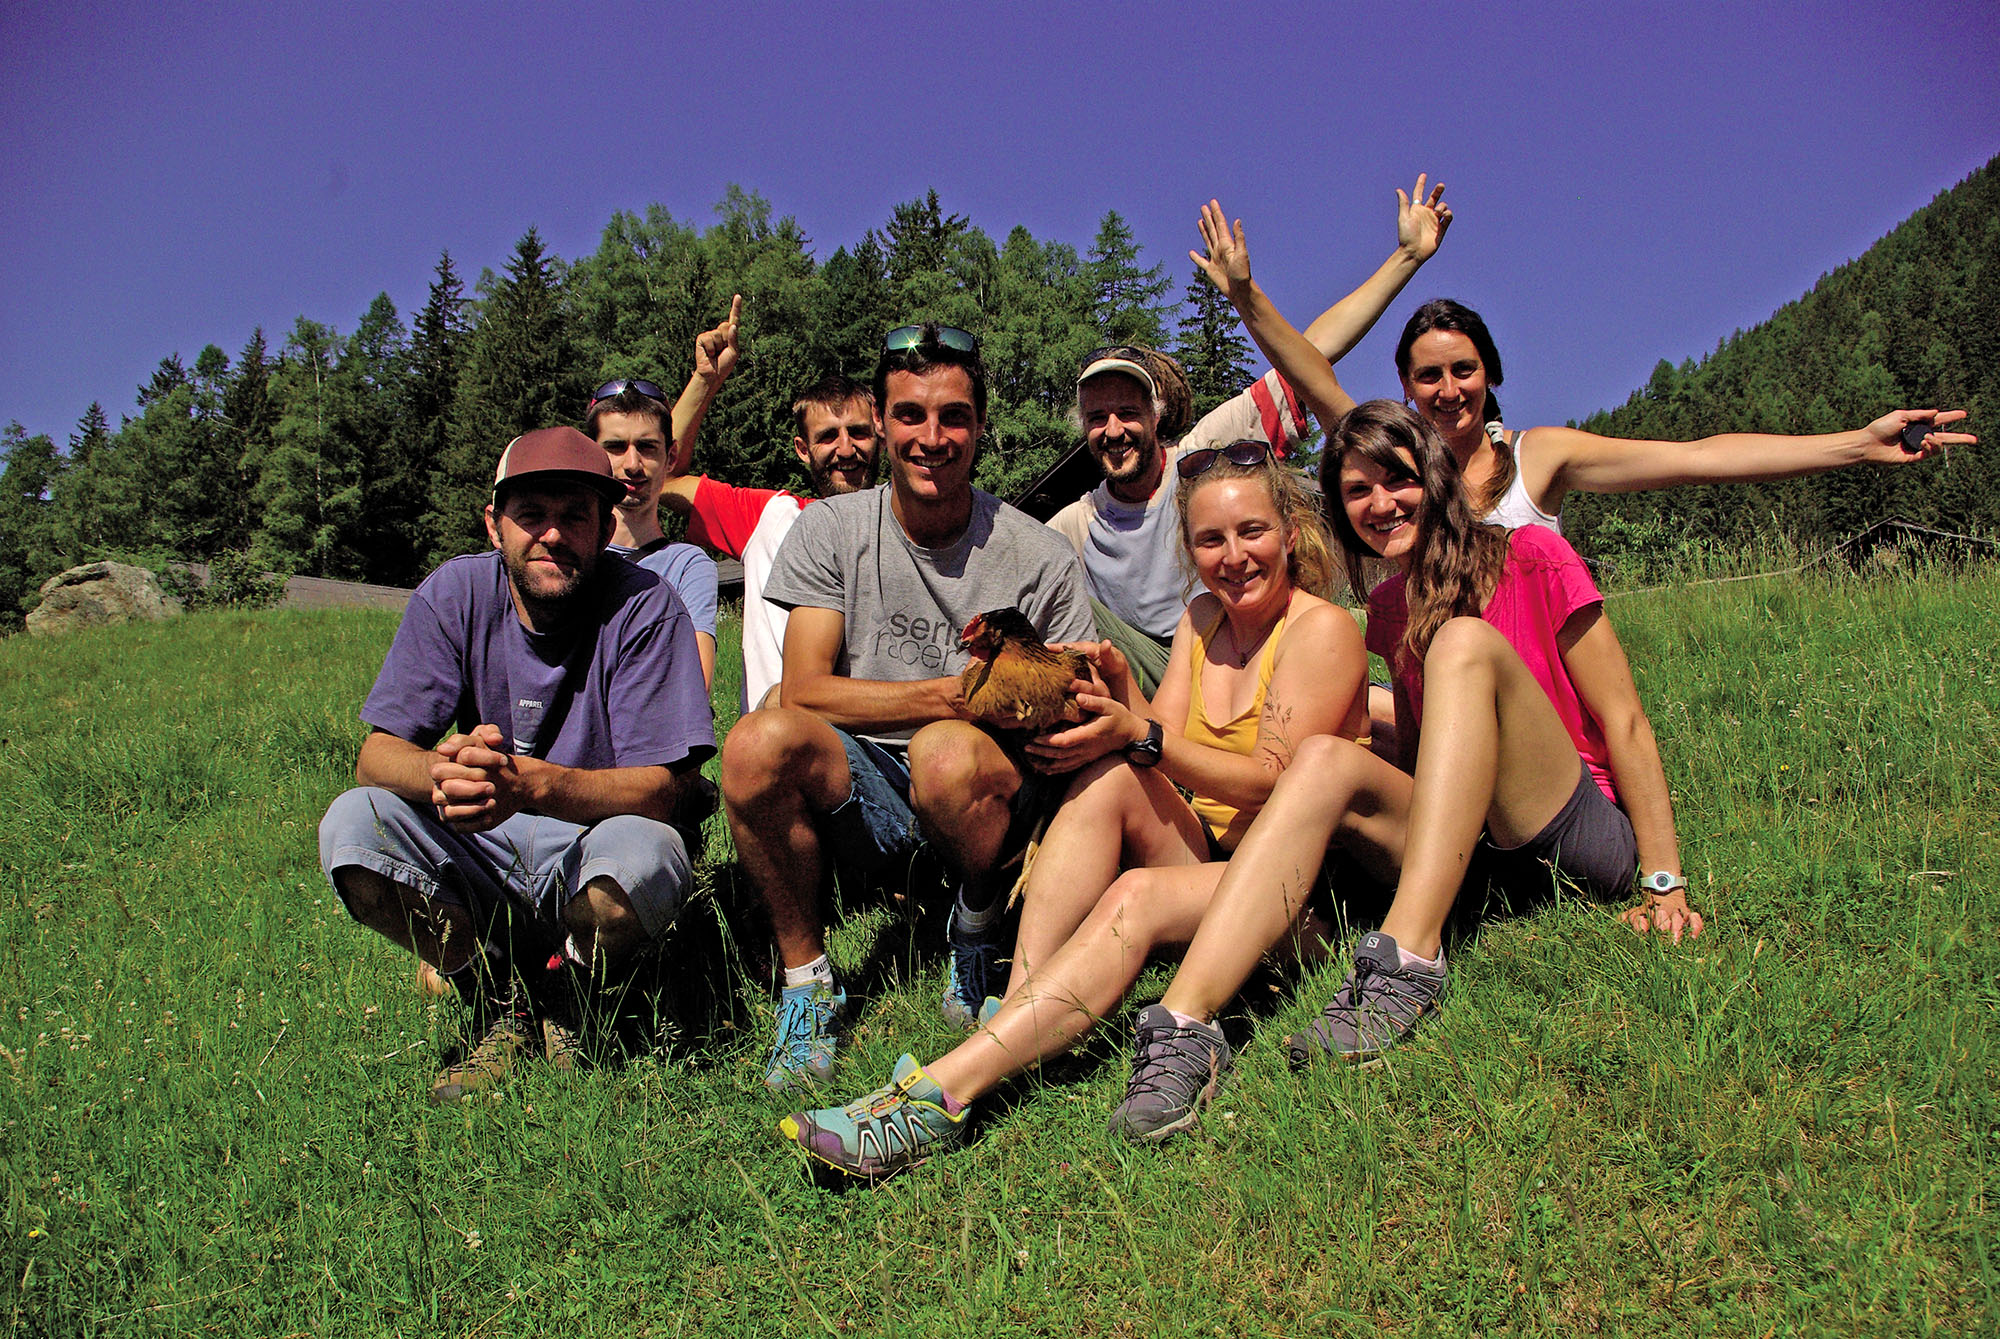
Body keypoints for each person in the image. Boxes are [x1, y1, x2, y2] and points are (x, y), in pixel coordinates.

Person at [1099, 400, 1705, 1142]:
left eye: (1399, 479)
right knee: (1328, 756)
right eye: (1359, 490)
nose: (1381, 503)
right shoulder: (1385, 605)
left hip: (1569, 824)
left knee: (1459, 646)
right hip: (1479, 858)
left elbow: (1626, 721)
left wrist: (1663, 878)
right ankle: (1184, 1025)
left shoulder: (1532, 555)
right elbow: (1428, 752)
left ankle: (1408, 960)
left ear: (1437, 476)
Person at [777, 444, 1370, 1178]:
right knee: (1113, 776)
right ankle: (1020, 1003)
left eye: (1252, 531)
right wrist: (1125, 695)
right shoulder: (1205, 619)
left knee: (1137, 892)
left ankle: (941, 1093)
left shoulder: (1321, 630)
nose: (1234, 556)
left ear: (1291, 530)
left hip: (1300, 893)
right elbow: (1164, 748)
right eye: (1210, 540)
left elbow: (1270, 784)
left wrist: (1138, 730)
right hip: (1216, 859)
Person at [720, 324, 1096, 1089]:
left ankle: (979, 920)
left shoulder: (1039, 554)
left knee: (946, 750)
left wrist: (1047, 698)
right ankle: (808, 984)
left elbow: (1078, 691)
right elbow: (806, 690)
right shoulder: (830, 528)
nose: (932, 436)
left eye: (954, 416)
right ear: (884, 423)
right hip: (867, 791)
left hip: (988, 795)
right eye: (911, 415)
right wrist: (951, 696)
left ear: (981, 426)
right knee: (758, 739)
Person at [317, 427, 714, 1103]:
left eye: (574, 516)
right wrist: (448, 775)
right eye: (531, 515)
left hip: (595, 841)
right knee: (354, 826)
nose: (552, 535)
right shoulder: (454, 592)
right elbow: (377, 756)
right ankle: (497, 998)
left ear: (605, 523)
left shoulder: (645, 605)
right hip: (484, 847)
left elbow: (662, 788)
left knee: (646, 857)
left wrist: (531, 783)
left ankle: (570, 992)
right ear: (494, 524)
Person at [1192, 200, 1977, 535]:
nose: (1447, 390)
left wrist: (1854, 443)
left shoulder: (1541, 456)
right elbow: (1314, 379)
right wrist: (1246, 294)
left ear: (1489, 375)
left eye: (1462, 370)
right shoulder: (1395, 469)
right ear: (1405, 390)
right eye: (1427, 377)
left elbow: (1697, 460)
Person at [1050, 176, 1452, 696]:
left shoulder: (1201, 460)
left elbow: (1309, 357)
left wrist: (1406, 257)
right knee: (1054, 586)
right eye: (1096, 417)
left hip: (1233, 657)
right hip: (1149, 684)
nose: (1113, 430)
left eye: (1127, 412)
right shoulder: (1076, 526)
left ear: (1156, 414)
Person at [650, 296, 884, 711]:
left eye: (859, 433)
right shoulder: (771, 516)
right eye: (827, 436)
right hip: (775, 751)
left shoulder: (911, 528)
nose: (845, 449)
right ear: (802, 448)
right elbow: (662, 475)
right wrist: (705, 380)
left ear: (880, 434)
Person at [583, 371, 722, 689]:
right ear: (590, 456)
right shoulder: (561, 554)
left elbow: (694, 686)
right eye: (616, 447)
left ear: (670, 456)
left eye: (646, 447)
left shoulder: (688, 566)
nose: (632, 463)